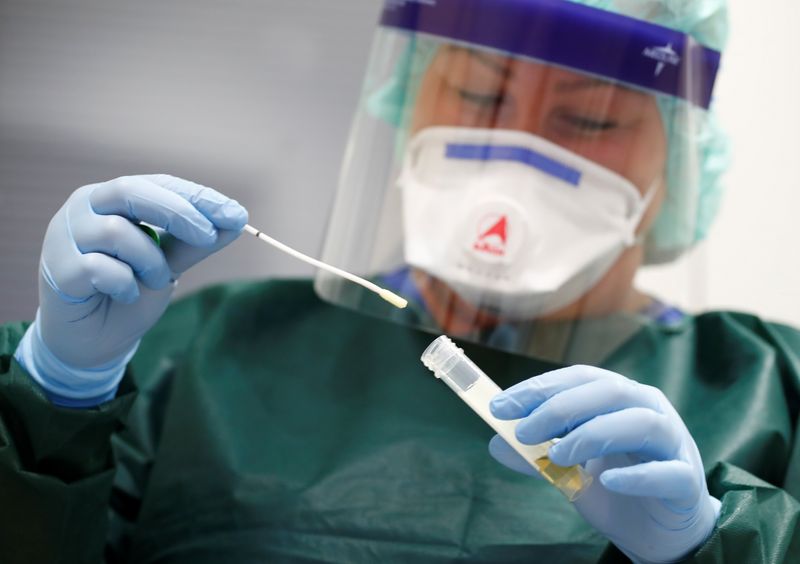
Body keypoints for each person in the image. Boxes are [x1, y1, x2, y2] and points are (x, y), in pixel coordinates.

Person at [1, 0, 798, 562]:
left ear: (683, 163)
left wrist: (713, 546)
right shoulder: (200, 353)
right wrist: (55, 398)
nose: (513, 149)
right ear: (410, 95)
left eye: (590, 119)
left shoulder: (773, 390)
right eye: (479, 96)